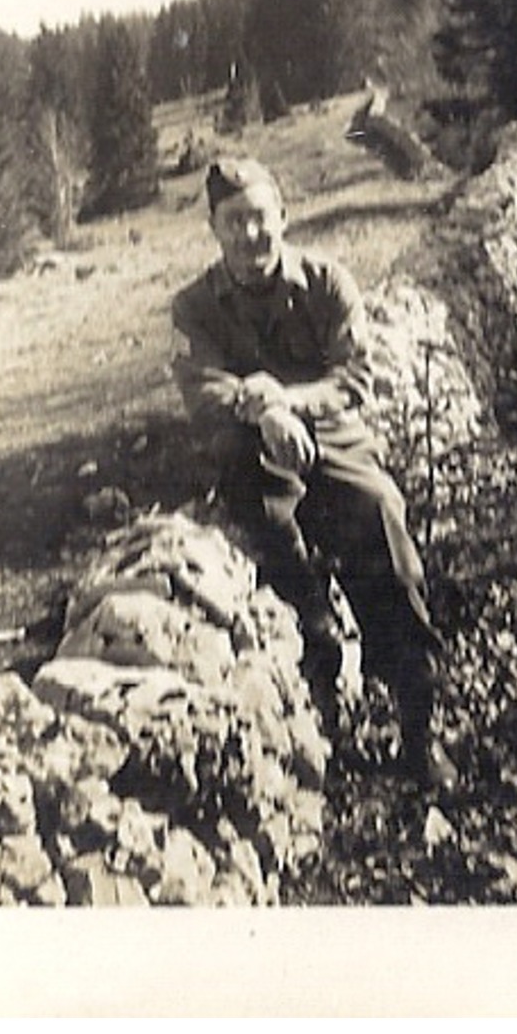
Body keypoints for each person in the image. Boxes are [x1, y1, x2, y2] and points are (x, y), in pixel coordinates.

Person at [171, 156, 457, 791]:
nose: (249, 236)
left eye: (259, 218)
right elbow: (202, 390)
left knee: (381, 515)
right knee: (274, 558)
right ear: (214, 230)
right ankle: (319, 697)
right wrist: (263, 409)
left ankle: (418, 729)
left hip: (330, 437)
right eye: (233, 222)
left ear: (283, 217)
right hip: (251, 453)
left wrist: (287, 401)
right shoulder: (194, 307)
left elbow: (355, 374)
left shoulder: (327, 283)